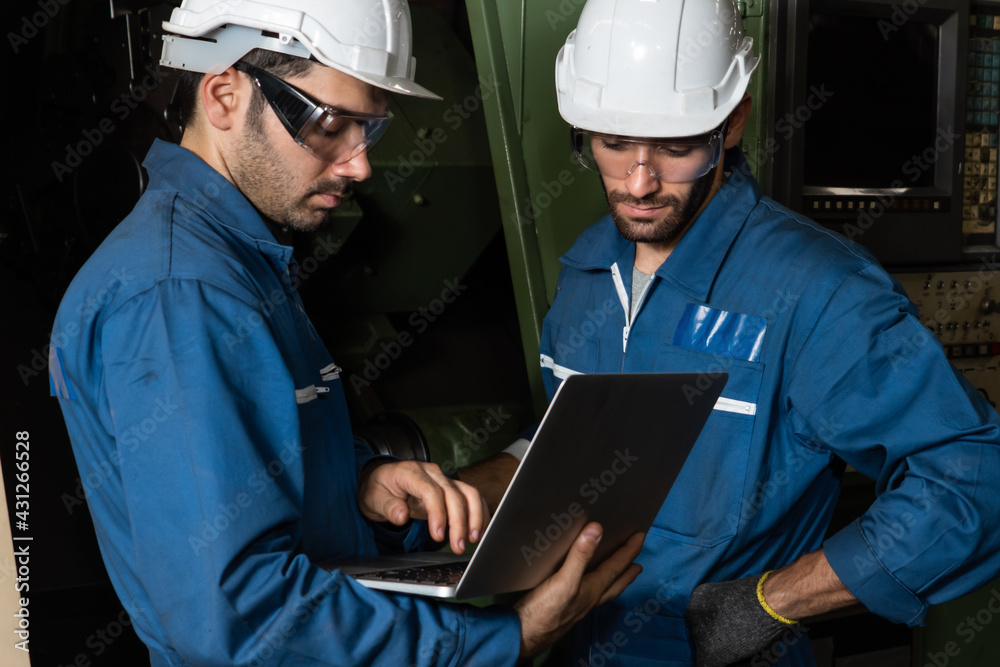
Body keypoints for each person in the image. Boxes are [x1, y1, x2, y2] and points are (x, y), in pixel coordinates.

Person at [46, 0, 645, 664]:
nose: (359, 165)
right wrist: (506, 638)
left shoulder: (241, 263)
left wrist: (361, 486)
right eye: (332, 124)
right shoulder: (178, 294)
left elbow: (254, 484)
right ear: (222, 95)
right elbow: (240, 617)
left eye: (372, 129)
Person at [458, 0, 1000, 665]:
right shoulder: (587, 270)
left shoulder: (816, 288)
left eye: (677, 145)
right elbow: (574, 441)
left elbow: (972, 476)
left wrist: (774, 599)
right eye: (612, 141)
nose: (638, 181)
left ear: (733, 121)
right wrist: (470, 489)